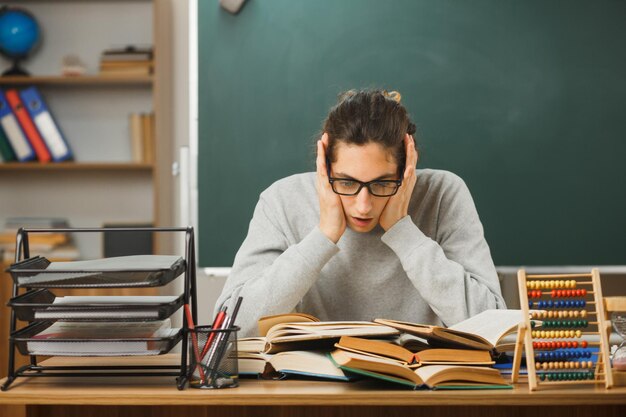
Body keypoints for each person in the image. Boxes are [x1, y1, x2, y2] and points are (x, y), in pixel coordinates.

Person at [215, 89, 506, 337]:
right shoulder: (281, 200)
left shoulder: (443, 194)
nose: (363, 205)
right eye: (346, 182)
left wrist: (403, 232)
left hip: (422, 391)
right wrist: (322, 237)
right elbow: (226, 330)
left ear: (407, 170)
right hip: (310, 392)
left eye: (382, 183)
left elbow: (493, 327)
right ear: (324, 167)